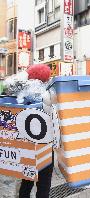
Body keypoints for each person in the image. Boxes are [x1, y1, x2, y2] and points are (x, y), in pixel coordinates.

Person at [19, 64, 54, 198]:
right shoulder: (47, 95)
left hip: (26, 146)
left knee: (26, 181)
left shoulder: (22, 94)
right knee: (44, 185)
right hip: (45, 145)